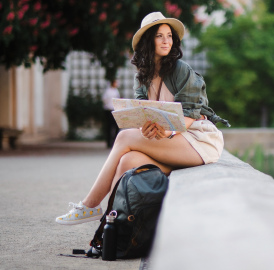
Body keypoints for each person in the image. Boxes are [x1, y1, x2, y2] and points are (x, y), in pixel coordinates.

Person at [56, 12, 229, 225]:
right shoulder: (143, 76)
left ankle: (89, 206)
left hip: (196, 139)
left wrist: (167, 131)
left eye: (169, 35)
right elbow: (143, 116)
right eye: (159, 36)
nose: (167, 40)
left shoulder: (180, 70)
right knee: (128, 160)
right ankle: (109, 224)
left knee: (123, 138)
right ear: (148, 40)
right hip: (168, 142)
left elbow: (192, 114)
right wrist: (146, 130)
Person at [102, 79, 120, 148]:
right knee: (109, 126)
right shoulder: (108, 91)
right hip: (109, 109)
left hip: (114, 109)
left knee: (115, 126)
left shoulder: (116, 91)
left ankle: (114, 141)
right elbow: (105, 99)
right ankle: (109, 142)